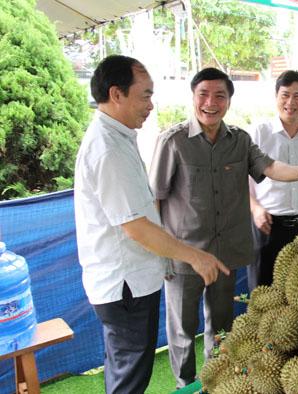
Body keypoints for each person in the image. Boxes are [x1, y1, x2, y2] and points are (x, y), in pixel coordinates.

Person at [149, 67, 298, 388]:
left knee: (222, 326)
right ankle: (185, 384)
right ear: (194, 98)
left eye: (219, 96)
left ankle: (217, 381)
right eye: (204, 95)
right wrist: (162, 256)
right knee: (183, 331)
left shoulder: (239, 140)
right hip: (184, 254)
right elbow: (155, 200)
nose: (211, 103)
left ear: (228, 101)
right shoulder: (173, 141)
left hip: (226, 254)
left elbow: (269, 167)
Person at [74, 55, 229, 394]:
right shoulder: (107, 149)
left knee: (128, 368)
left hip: (130, 281)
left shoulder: (118, 137)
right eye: (144, 95)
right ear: (117, 94)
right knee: (131, 374)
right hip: (124, 285)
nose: (150, 104)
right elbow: (136, 227)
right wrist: (194, 256)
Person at [247, 70, 298, 291]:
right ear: (276, 97)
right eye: (285, 95)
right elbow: (241, 181)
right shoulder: (259, 133)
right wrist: (256, 209)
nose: (291, 102)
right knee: (262, 292)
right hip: (267, 225)